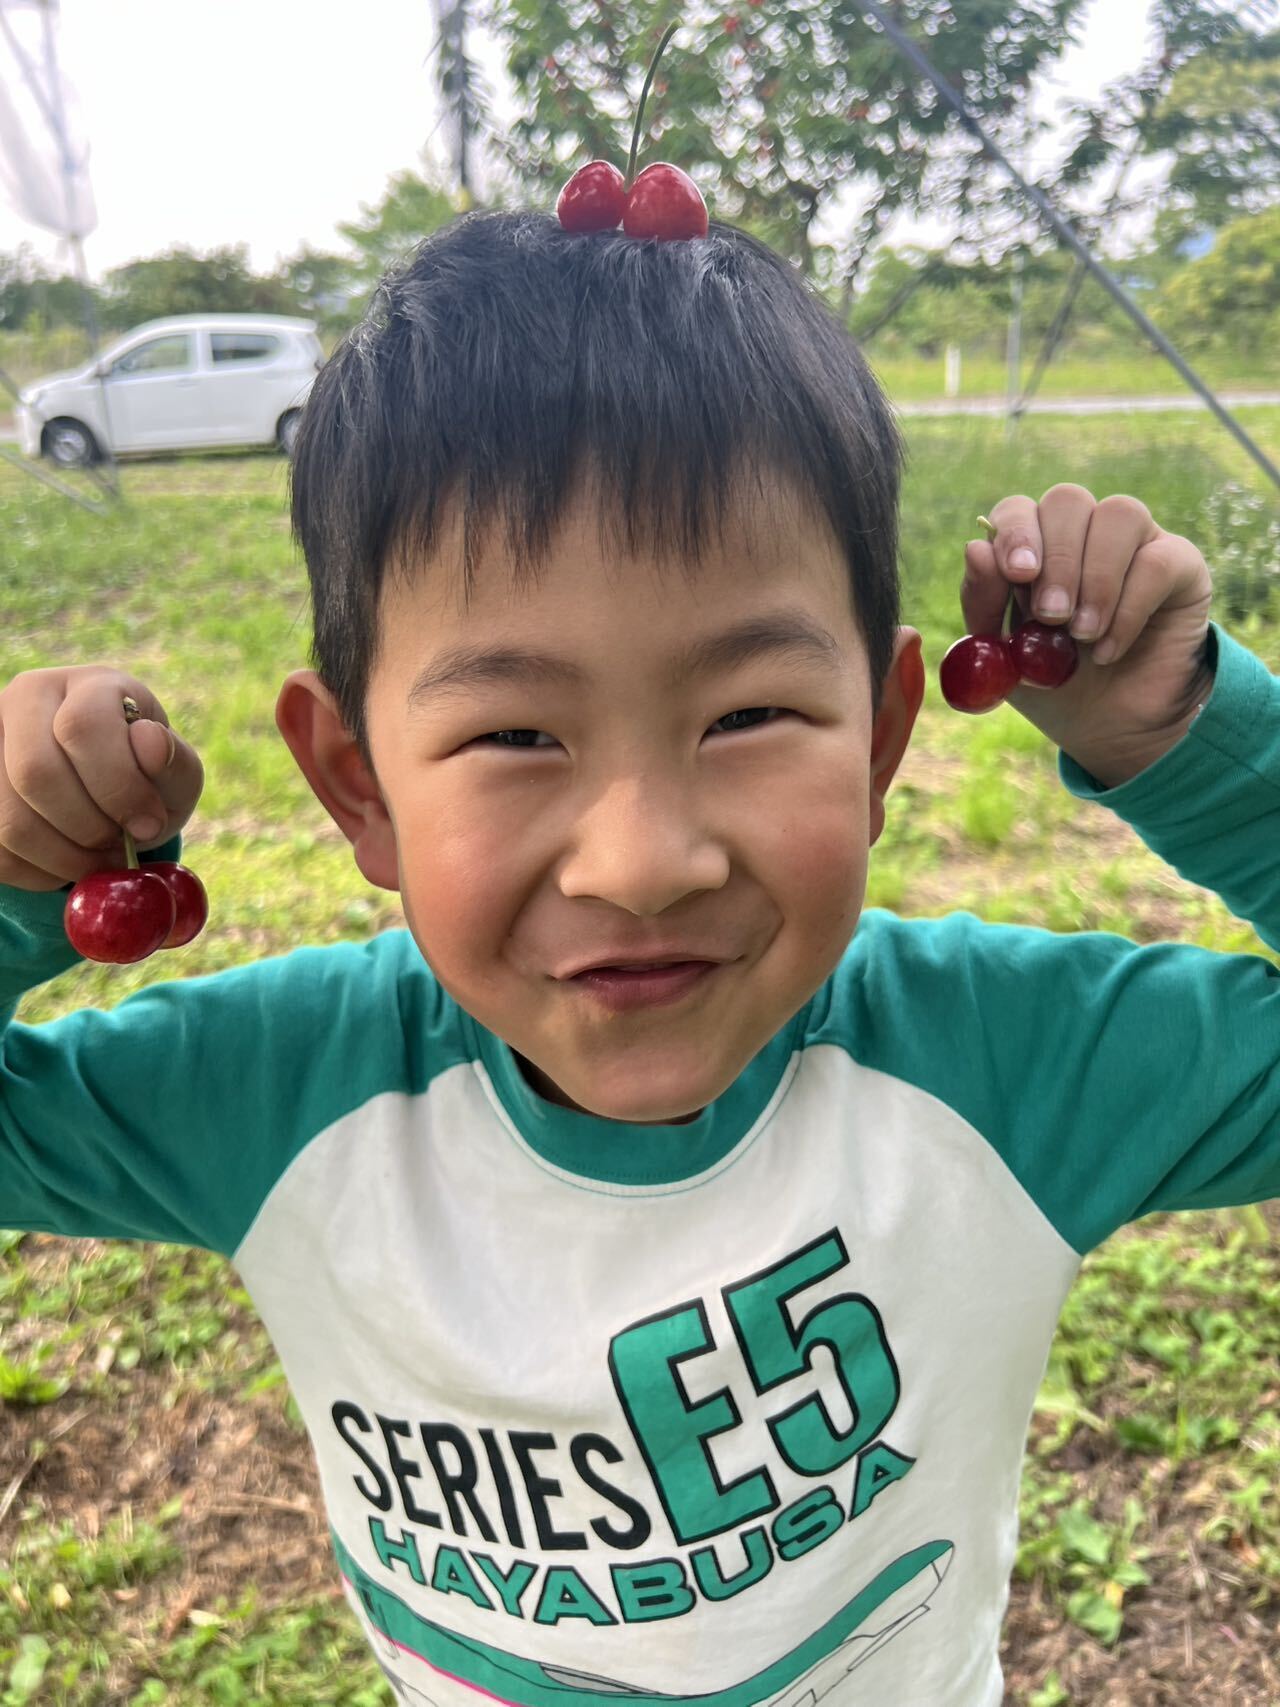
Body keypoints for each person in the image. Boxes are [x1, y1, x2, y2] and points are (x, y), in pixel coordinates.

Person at [1, 210, 1276, 1707]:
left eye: (745, 716)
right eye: (514, 735)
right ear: (361, 785)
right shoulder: (285, 1097)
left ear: (879, 737)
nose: (643, 858)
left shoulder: (1008, 1070)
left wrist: (1193, 749)